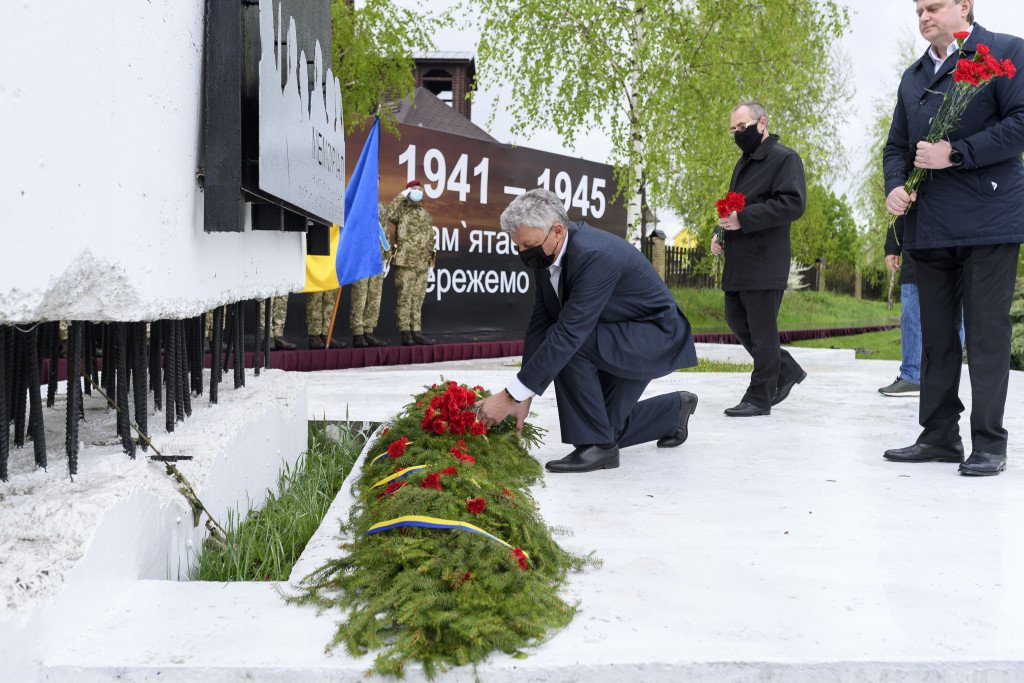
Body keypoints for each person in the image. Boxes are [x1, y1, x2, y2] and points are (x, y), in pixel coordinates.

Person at [882, 0, 1024, 476]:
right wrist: (895, 188)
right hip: (931, 226)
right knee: (938, 337)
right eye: (918, 9)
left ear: (964, 6)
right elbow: (896, 147)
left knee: (985, 335)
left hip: (989, 219)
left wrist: (956, 153)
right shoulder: (913, 76)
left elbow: (1020, 124)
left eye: (934, 6)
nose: (923, 16)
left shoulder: (1003, 52)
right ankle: (940, 435)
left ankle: (989, 442)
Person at [475, 189, 699, 474]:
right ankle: (672, 412)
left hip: (654, 336)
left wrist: (509, 397)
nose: (522, 253)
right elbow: (540, 320)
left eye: (527, 245)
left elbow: (570, 333)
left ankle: (598, 450)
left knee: (570, 348)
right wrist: (524, 395)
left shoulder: (594, 254)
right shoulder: (546, 253)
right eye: (517, 246)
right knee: (601, 424)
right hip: (617, 333)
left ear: (557, 230)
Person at [710, 101, 808, 417]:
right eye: (734, 130)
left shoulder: (785, 159)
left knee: (763, 330)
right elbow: (731, 205)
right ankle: (786, 369)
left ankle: (758, 397)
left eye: (743, 127)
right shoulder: (745, 163)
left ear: (762, 123)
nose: (738, 133)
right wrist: (720, 231)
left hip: (765, 260)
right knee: (736, 319)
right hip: (739, 260)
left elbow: (793, 204)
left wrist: (744, 219)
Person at [879, 217, 965, 397]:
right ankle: (912, 376)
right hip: (916, 246)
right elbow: (899, 205)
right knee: (911, 312)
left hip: (957, 243)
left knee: (955, 315)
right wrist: (892, 247)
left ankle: (948, 377)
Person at [386, 179, 436, 346]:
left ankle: (416, 331)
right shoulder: (401, 210)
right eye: (414, 188)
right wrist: (401, 196)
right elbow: (388, 214)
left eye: (420, 188)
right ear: (407, 191)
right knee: (405, 298)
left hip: (422, 262)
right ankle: (405, 332)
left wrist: (430, 259)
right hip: (405, 261)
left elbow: (430, 238)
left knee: (418, 299)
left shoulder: (425, 213)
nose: (418, 190)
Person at [349, 202, 391, 348]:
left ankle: (368, 330)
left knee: (374, 296)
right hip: (361, 256)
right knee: (360, 295)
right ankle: (358, 332)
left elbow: (385, 232)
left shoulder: (381, 207)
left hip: (377, 257)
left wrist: (387, 255)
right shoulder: (359, 201)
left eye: (377, 179)